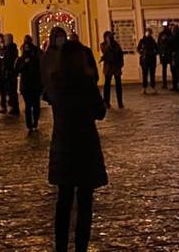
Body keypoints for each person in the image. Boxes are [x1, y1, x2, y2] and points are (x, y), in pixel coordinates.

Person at [48, 38, 107, 252]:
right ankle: (81, 247)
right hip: (84, 144)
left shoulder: (55, 82)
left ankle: (61, 247)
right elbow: (100, 111)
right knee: (84, 201)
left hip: (62, 143)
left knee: (63, 200)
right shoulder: (85, 82)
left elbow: (49, 98)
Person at [18, 35, 44, 131]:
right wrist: (24, 63)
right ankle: (30, 123)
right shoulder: (22, 57)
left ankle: (34, 122)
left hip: (34, 83)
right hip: (27, 84)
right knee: (29, 105)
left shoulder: (36, 54)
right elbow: (18, 69)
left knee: (35, 104)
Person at [99, 31, 125, 109]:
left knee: (118, 85)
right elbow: (105, 52)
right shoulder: (103, 45)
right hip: (108, 67)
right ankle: (106, 102)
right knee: (107, 85)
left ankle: (120, 102)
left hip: (116, 66)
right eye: (109, 37)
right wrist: (109, 44)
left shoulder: (116, 45)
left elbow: (120, 54)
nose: (111, 38)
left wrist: (121, 64)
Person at [0, 33, 21, 117]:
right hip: (5, 73)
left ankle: (13, 107)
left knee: (11, 91)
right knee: (7, 91)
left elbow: (5, 60)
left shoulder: (10, 49)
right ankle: (10, 106)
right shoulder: (8, 49)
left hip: (9, 73)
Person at [136, 30, 158, 94]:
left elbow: (157, 49)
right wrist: (142, 53)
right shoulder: (142, 41)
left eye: (149, 33)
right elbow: (138, 49)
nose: (148, 34)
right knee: (144, 74)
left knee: (152, 74)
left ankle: (153, 86)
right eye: (147, 32)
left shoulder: (153, 41)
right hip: (145, 60)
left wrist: (154, 53)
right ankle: (144, 87)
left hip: (151, 59)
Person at [158, 24, 174, 88]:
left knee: (172, 69)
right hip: (164, 54)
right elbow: (159, 44)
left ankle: (174, 83)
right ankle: (165, 83)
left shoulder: (170, 34)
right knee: (165, 69)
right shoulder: (162, 34)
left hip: (168, 53)